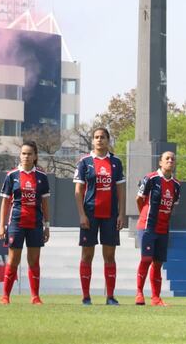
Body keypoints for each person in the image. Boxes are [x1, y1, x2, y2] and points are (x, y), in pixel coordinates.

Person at [74, 127, 126, 305]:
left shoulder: (116, 162)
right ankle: (86, 296)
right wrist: (82, 214)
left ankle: (110, 296)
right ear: (92, 140)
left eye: (102, 137)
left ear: (108, 140)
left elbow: (121, 190)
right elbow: (78, 191)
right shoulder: (84, 162)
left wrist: (121, 213)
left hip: (110, 215)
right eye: (96, 137)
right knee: (87, 255)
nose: (99, 140)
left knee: (110, 256)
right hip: (89, 214)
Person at [0, 140, 51, 305]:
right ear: (20, 155)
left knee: (34, 260)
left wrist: (46, 226)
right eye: (23, 153)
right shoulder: (12, 176)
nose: (26, 156)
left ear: (35, 156)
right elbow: (5, 202)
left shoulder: (41, 177)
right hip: (16, 224)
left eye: (29, 154)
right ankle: (5, 296)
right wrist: (1, 226)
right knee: (13, 259)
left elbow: (45, 203)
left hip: (35, 224)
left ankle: (35, 296)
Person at [135, 150, 181, 306]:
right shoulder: (151, 179)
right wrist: (145, 215)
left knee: (158, 262)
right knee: (146, 259)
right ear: (160, 162)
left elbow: (172, 207)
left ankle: (156, 298)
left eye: (173, 159)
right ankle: (139, 293)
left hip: (163, 228)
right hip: (148, 226)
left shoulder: (176, 185)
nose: (170, 161)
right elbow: (139, 200)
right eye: (167, 158)